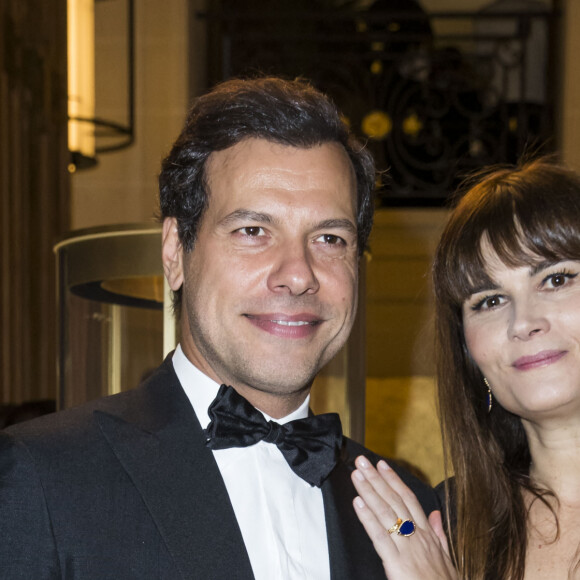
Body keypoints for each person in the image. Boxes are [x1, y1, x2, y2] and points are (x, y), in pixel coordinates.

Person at [0, 76, 439, 579]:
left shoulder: (405, 515)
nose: (298, 274)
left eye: (329, 238)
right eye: (253, 231)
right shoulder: (44, 477)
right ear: (175, 253)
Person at [349, 157, 580, 579]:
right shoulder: (443, 524)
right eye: (490, 301)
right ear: (469, 352)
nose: (524, 322)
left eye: (556, 279)